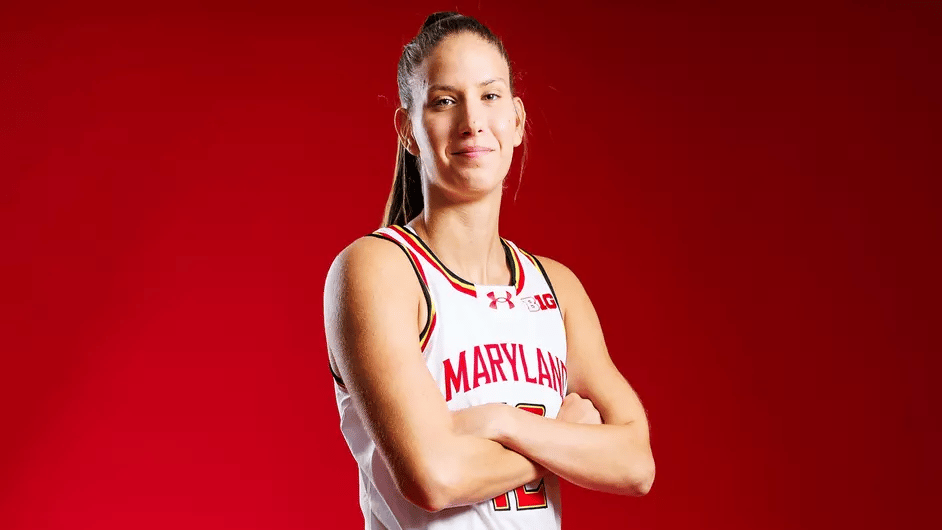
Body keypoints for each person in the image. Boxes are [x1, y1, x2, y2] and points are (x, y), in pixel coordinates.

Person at [324, 12, 655, 529]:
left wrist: (504, 422)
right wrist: (561, 438)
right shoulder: (378, 270)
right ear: (408, 130)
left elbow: (636, 464)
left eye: (490, 95)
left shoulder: (556, 287)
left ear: (517, 121)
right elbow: (434, 477)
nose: (472, 121)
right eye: (444, 100)